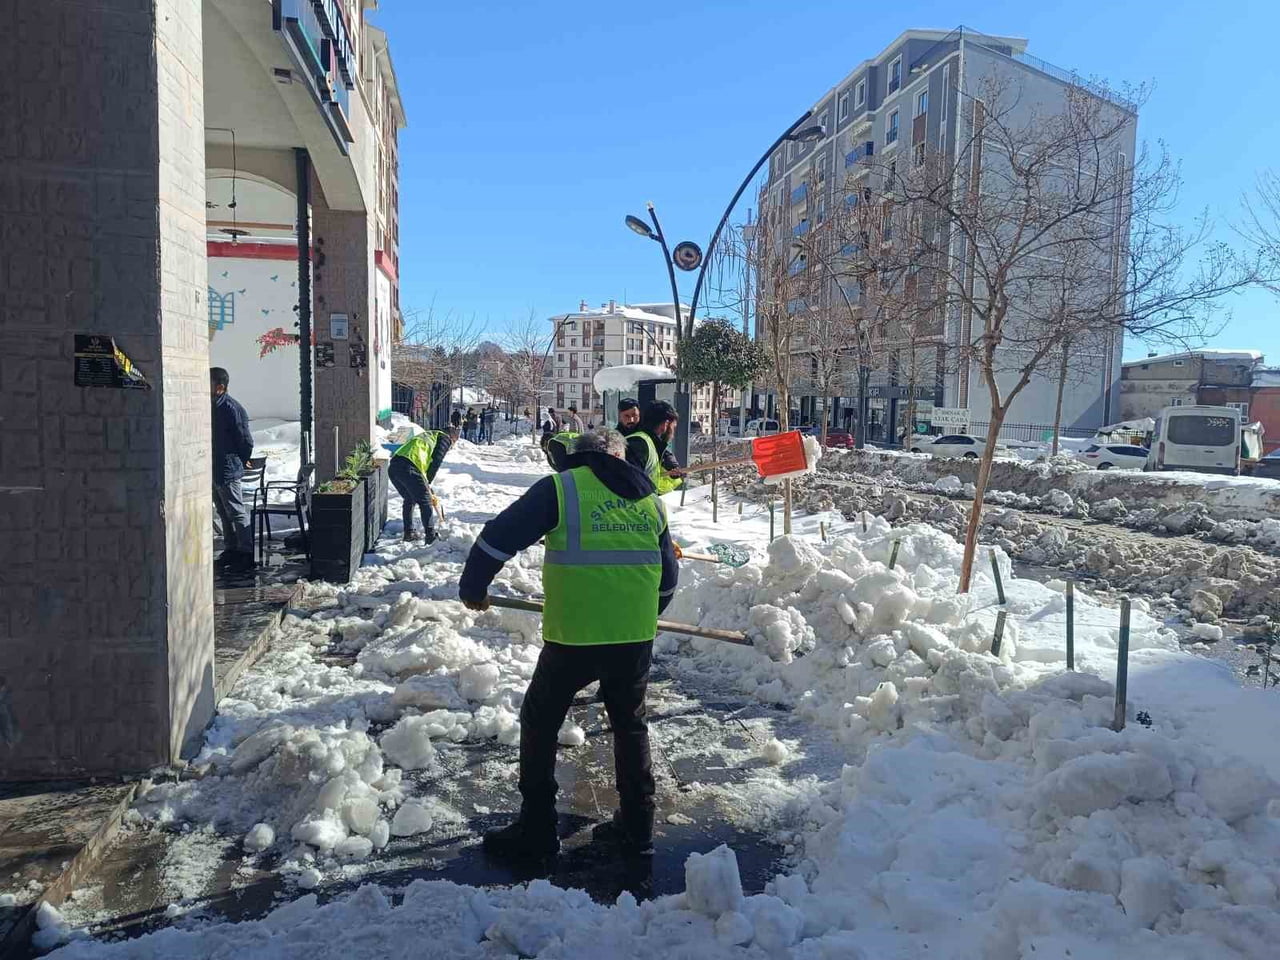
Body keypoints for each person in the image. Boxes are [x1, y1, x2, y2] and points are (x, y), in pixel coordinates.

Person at [460, 429, 679, 861]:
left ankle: (537, 828)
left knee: (540, 721)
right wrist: (640, 612)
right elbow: (668, 580)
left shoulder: (561, 488)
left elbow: (497, 537)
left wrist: (474, 586)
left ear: (577, 458)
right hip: (634, 639)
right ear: (619, 457)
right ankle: (638, 829)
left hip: (574, 637)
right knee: (630, 726)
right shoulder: (650, 499)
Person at [210, 367, 255, 567]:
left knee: (236, 509)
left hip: (228, 466)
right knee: (222, 509)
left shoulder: (230, 408)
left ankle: (245, 550)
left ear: (220, 387)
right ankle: (231, 547)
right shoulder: (211, 406)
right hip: (214, 466)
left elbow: (245, 439)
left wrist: (242, 458)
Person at [388, 428, 453, 543]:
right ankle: (430, 536)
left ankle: (409, 532)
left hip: (394, 466)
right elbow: (436, 462)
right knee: (425, 501)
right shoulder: (444, 438)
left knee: (409, 498)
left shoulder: (427, 435)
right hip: (409, 467)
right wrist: (427, 483)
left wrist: (425, 483)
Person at [626, 400, 685, 495]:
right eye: (673, 426)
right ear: (665, 424)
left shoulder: (648, 443)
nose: (673, 432)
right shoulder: (640, 444)